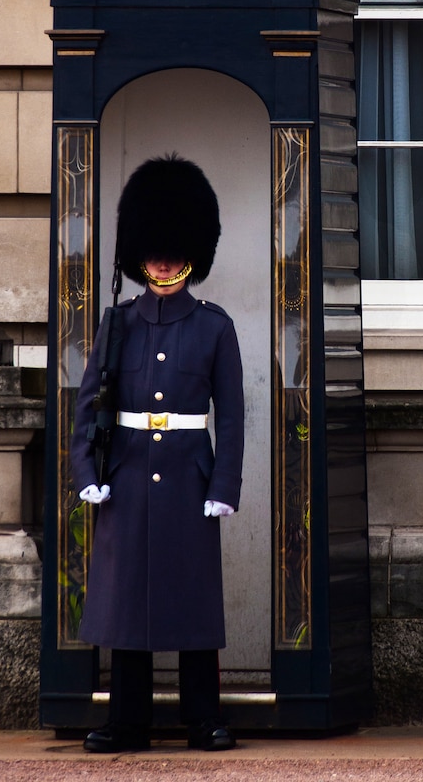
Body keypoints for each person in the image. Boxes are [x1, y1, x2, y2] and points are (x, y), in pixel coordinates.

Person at [71, 153, 245, 754]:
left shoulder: (214, 328)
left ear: (193, 252)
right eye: (156, 249)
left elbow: (233, 414)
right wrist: (87, 471)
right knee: (127, 604)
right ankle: (127, 721)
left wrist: (223, 486)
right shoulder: (117, 324)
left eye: (174, 249)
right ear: (139, 253)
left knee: (193, 602)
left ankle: (204, 719)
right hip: (127, 475)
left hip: (189, 479)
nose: (165, 260)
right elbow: (90, 404)